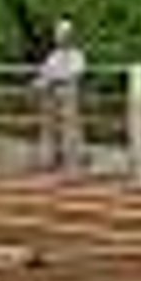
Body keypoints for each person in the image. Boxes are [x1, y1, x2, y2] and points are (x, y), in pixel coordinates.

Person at [33, 17, 86, 171]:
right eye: (59, 34)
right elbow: (45, 72)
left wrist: (52, 78)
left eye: (64, 34)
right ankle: (48, 160)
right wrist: (39, 82)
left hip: (68, 95)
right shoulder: (53, 56)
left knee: (70, 127)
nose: (61, 38)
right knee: (48, 127)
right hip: (51, 96)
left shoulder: (77, 55)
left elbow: (75, 73)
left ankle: (72, 161)